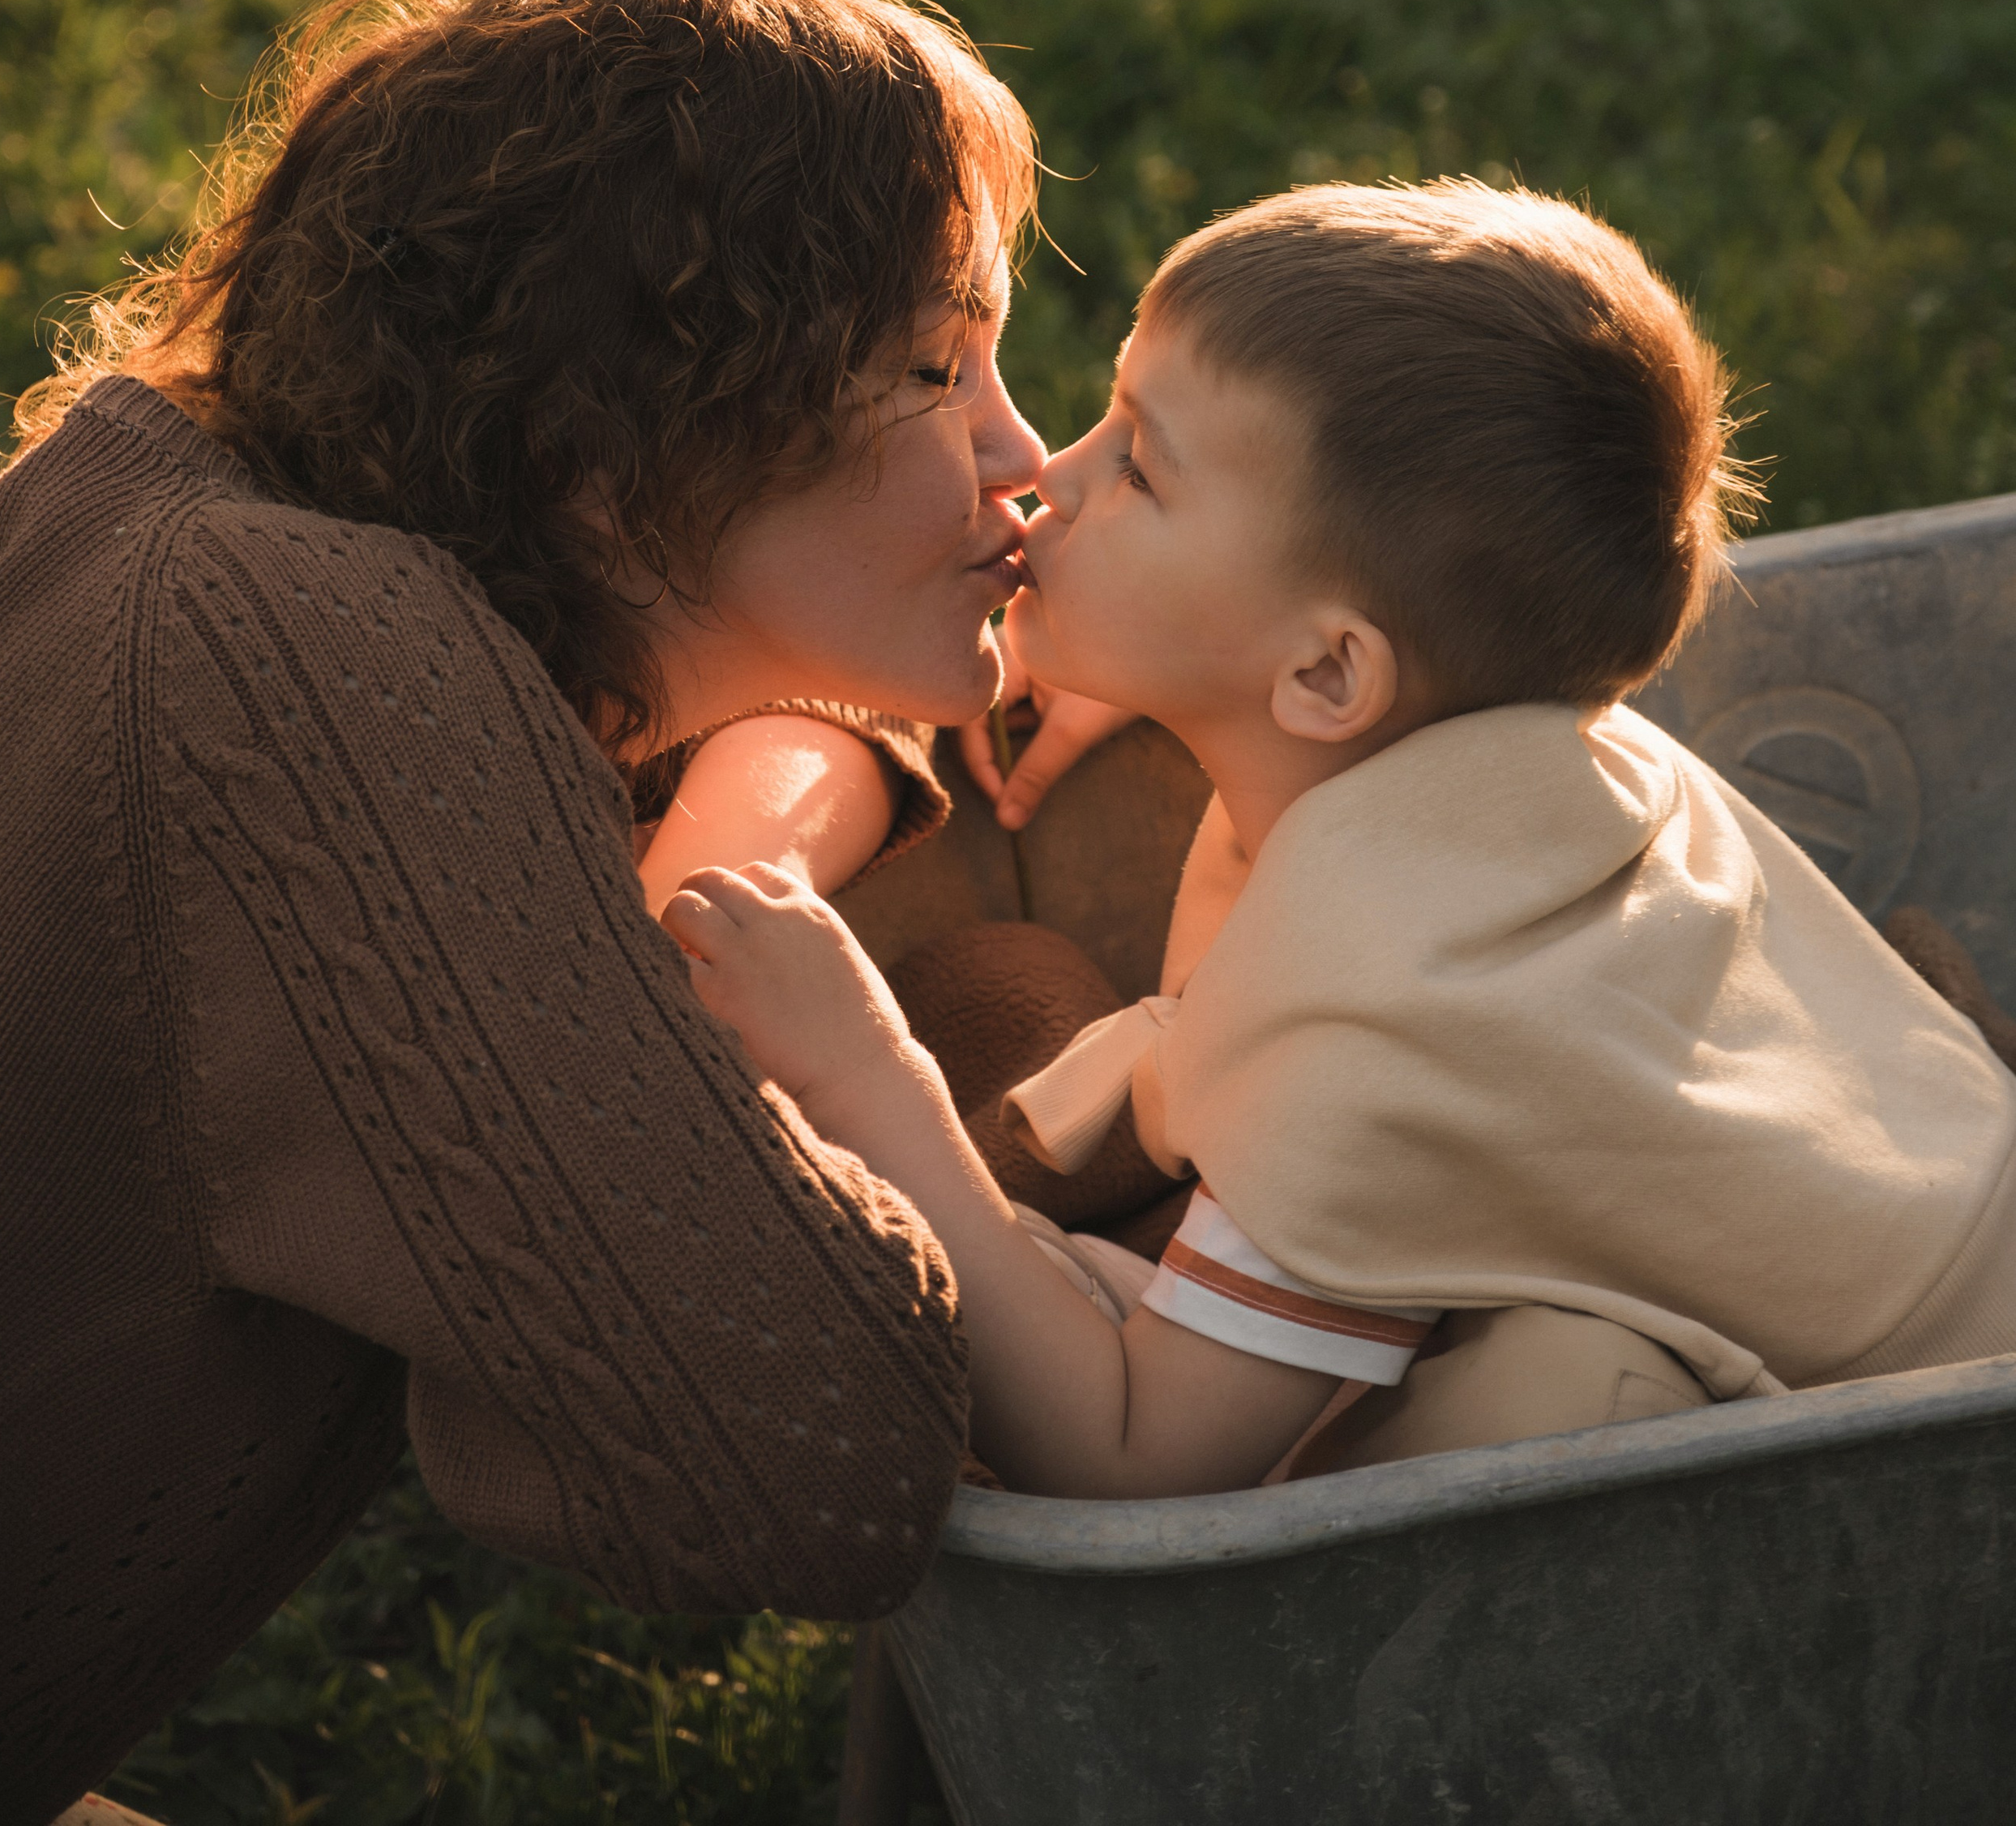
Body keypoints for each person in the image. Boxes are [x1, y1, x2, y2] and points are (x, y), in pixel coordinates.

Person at [0, 0, 1050, 1826]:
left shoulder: (151, 528)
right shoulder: (312, 669)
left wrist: (753, 832)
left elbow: (704, 735)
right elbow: (818, 1448)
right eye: (939, 367)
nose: (1020, 457)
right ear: (614, 447)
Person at [667, 180, 2016, 1499]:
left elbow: (1128, 1454)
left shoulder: (1378, 1033)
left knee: (1555, 1391)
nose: (1052, 478)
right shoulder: (1548, 757)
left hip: (1933, 1460)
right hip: (1954, 1204)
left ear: (1323, 681)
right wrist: (1150, 664)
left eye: (1138, 465)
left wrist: (871, 1083)